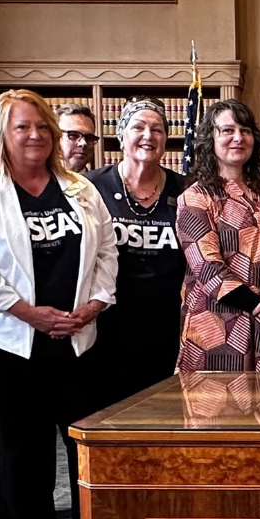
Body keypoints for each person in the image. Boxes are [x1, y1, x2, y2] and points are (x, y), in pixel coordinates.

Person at [0, 89, 117, 519]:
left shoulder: (80, 188)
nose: (35, 135)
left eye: (42, 126)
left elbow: (107, 251)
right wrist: (29, 314)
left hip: (77, 340)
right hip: (9, 344)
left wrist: (95, 305)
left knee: (82, 446)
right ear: (3, 132)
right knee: (24, 450)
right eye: (23, 127)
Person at [176, 99, 260, 372]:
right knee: (218, 412)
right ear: (211, 138)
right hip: (219, 332)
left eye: (245, 130)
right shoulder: (196, 198)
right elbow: (209, 270)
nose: (238, 138)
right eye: (227, 130)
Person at [85, 97, 186, 409]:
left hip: (165, 329)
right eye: (138, 127)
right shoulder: (91, 187)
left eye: (157, 129)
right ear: (121, 135)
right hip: (104, 329)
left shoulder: (186, 190)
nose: (148, 135)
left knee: (159, 422)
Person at [56, 102, 99, 174]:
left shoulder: (99, 185)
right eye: (73, 135)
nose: (83, 143)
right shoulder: (36, 183)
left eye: (89, 138)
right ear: (55, 137)